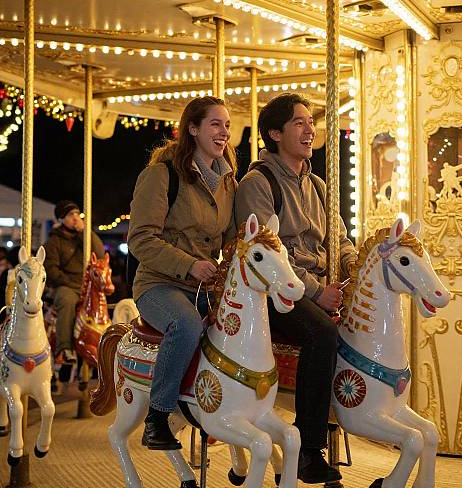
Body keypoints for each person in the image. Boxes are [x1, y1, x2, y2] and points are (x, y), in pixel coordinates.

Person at [235, 93, 357, 484]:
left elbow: (338, 238)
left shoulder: (318, 185)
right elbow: (270, 253)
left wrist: (355, 265)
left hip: (318, 289)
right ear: (275, 132)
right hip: (275, 292)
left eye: (311, 123)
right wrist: (314, 292)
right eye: (299, 123)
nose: (310, 130)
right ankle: (308, 449)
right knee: (323, 333)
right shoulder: (259, 182)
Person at [128, 96, 237, 450]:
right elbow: (141, 238)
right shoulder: (161, 174)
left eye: (227, 125)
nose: (224, 132)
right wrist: (189, 264)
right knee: (187, 324)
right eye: (215, 124)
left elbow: (232, 238)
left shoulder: (227, 182)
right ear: (193, 128)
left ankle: (215, 407)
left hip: (204, 286)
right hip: (160, 284)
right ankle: (157, 416)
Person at [44, 200, 104, 364]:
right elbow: (51, 269)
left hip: (86, 284)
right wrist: (69, 283)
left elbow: (99, 253)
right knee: (67, 300)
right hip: (65, 285)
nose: (76, 218)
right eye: (71, 215)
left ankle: (102, 344)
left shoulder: (83, 236)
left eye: (78, 214)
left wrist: (86, 232)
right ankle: (65, 348)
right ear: (61, 219)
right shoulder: (54, 241)